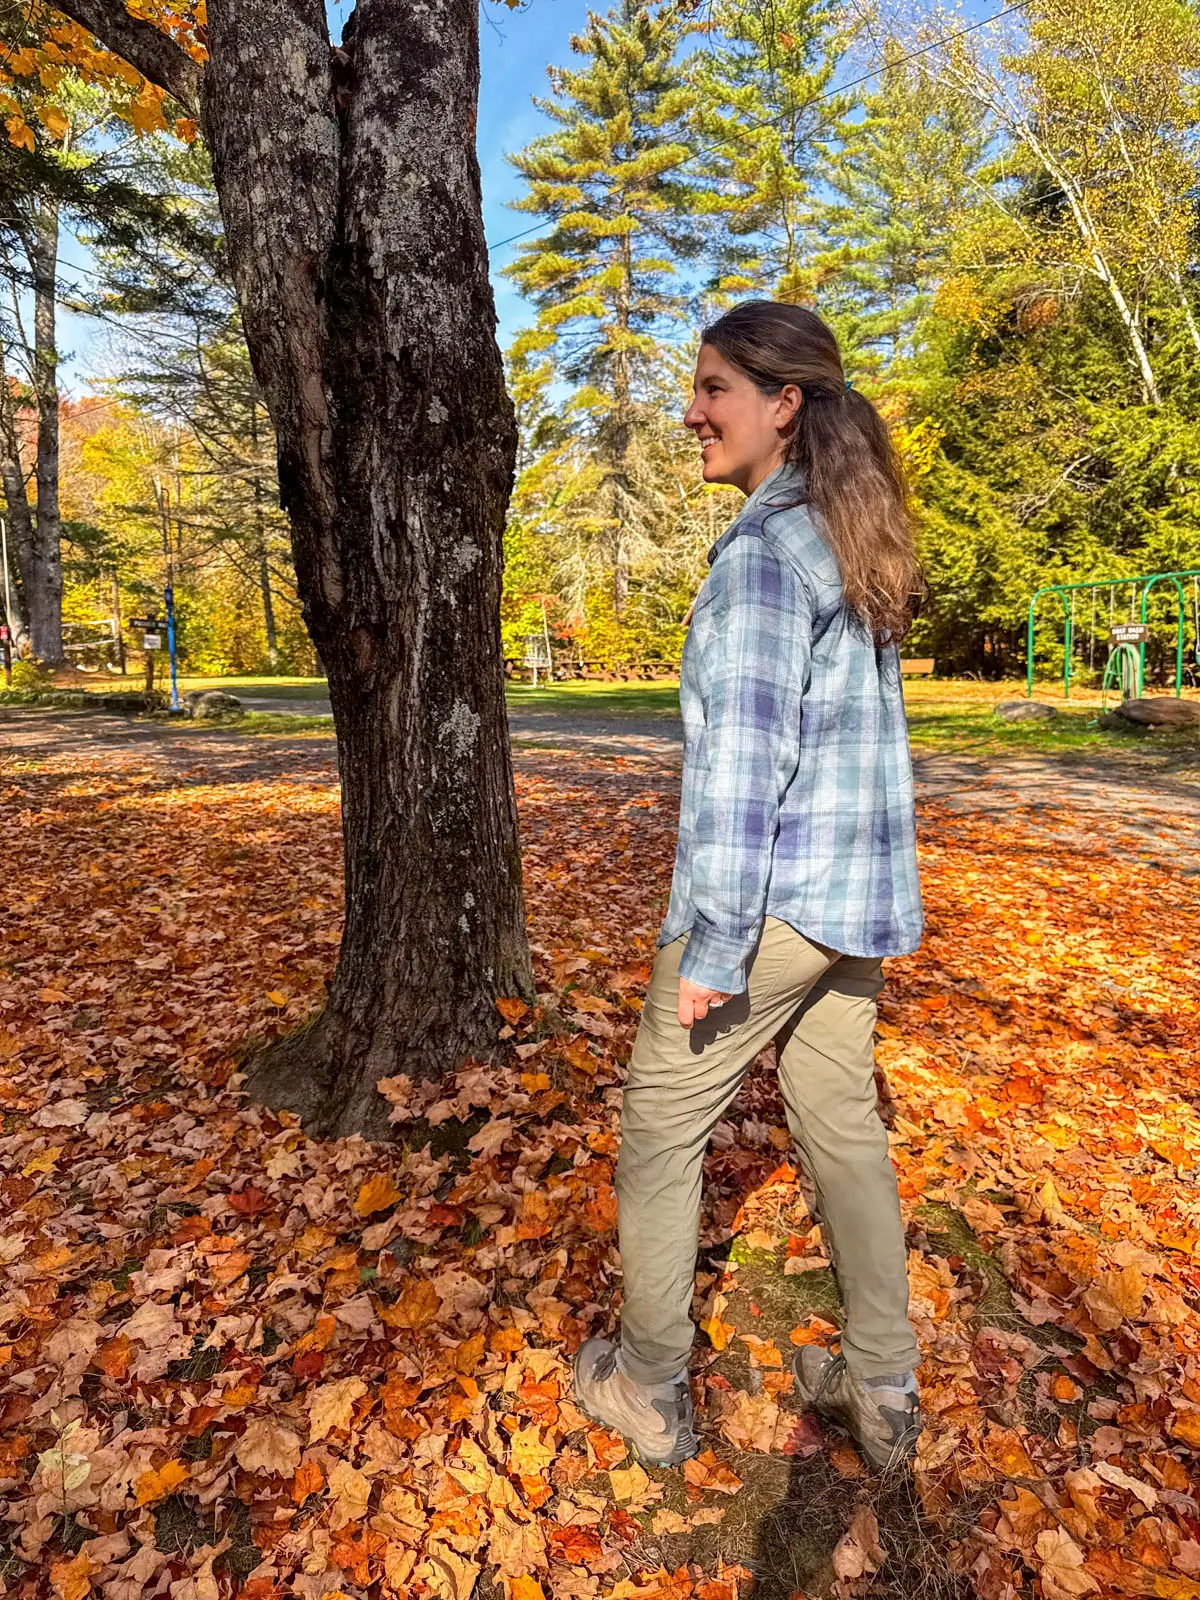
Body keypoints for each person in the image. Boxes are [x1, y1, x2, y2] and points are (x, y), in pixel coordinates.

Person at [572, 300, 926, 1474]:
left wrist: (714, 954)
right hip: (849, 908)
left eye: (714, 387)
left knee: (657, 1135)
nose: (691, 411)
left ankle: (647, 1384)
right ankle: (884, 1391)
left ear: (785, 405)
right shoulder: (846, 536)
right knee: (841, 1125)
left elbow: (740, 774)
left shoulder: (768, 559)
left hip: (769, 910)